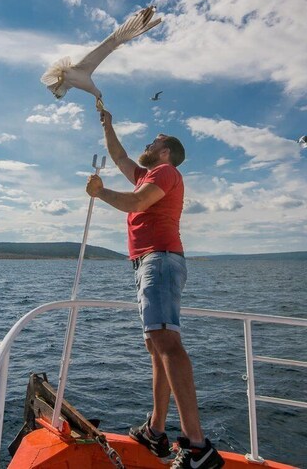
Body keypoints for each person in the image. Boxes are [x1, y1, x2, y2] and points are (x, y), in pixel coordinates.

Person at [86, 109, 224, 469]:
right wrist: (108, 125)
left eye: (155, 140)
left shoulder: (165, 172)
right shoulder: (147, 174)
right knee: (156, 345)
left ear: (166, 152)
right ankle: (156, 430)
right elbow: (118, 157)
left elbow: (135, 203)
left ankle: (198, 448)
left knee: (167, 344)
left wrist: (100, 194)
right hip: (151, 262)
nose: (148, 143)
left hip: (159, 261)